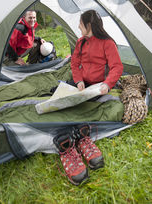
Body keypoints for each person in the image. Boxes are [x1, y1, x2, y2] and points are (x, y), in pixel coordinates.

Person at [53, 10, 123, 185]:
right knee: (57, 94)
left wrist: (107, 84)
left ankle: (80, 138)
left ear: (88, 25)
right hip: (82, 85)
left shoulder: (107, 43)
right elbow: (74, 63)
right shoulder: (81, 42)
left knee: (84, 105)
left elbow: (117, 67)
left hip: (97, 87)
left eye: (80, 23)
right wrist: (78, 82)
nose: (78, 26)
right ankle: (75, 135)